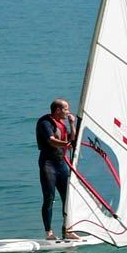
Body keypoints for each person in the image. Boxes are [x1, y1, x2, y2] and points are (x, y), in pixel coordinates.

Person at [35, 98, 80, 241]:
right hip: (48, 165)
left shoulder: (63, 124)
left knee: (68, 198)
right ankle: (49, 232)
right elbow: (51, 141)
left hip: (61, 164)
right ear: (58, 110)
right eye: (66, 109)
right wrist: (66, 144)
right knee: (49, 198)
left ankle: (67, 230)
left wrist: (72, 124)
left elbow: (72, 140)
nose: (68, 111)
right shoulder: (45, 123)